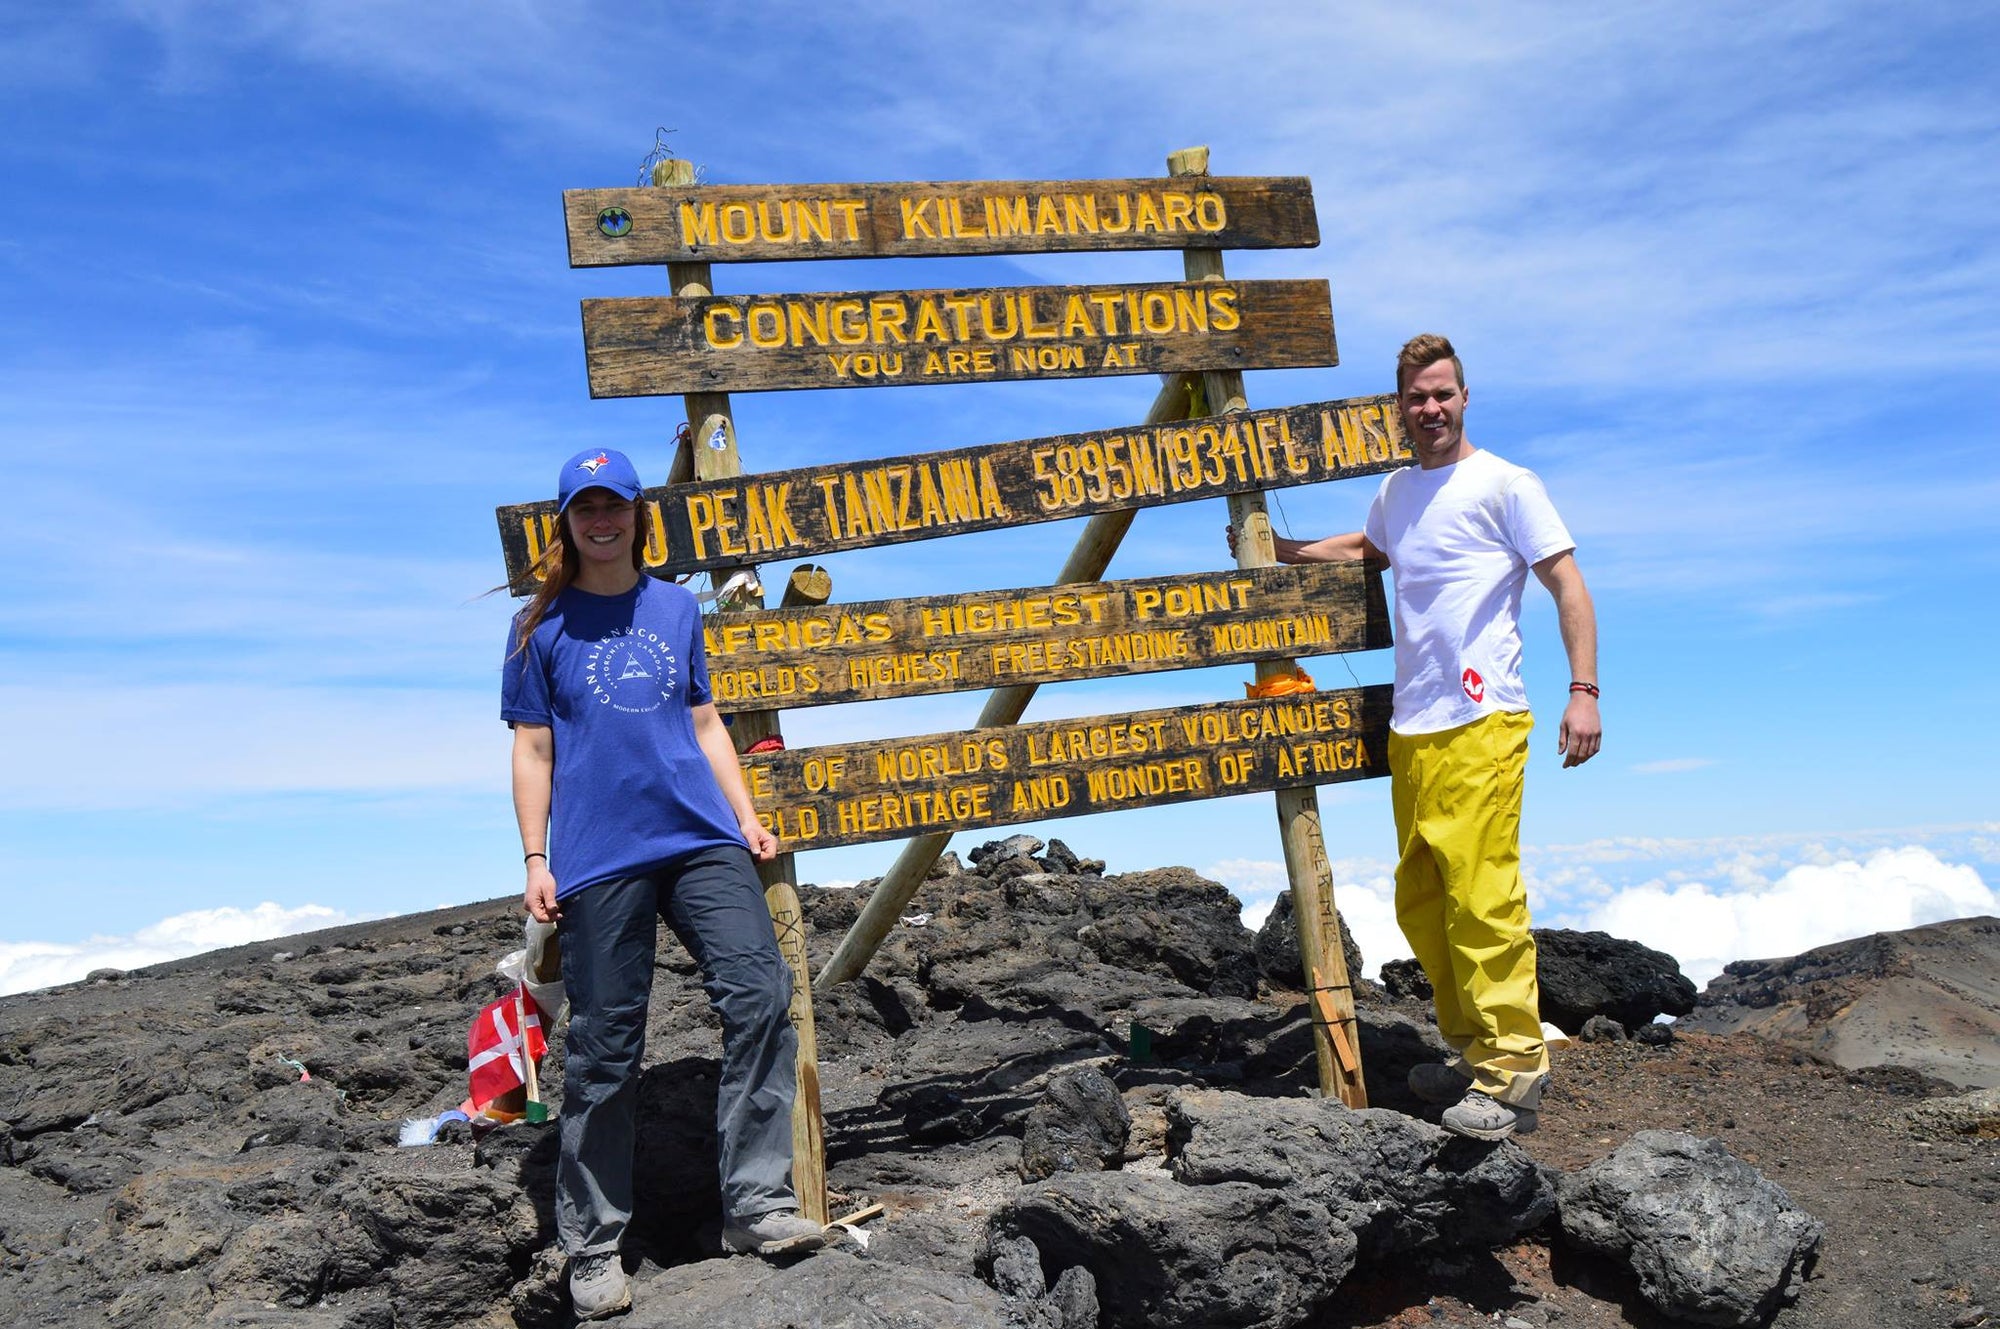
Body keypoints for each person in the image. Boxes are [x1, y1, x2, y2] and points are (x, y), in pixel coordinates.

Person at [1233, 333, 1601, 1141]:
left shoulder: (1507, 483)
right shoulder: (1398, 490)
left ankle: (1514, 1072)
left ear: (1464, 397)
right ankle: (1473, 1052)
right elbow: (1369, 551)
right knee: (1424, 902)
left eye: (1442, 393)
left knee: (1483, 896)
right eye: (1415, 396)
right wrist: (1284, 551)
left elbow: (1566, 580)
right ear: (1399, 406)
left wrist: (1583, 690)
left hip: (1483, 718)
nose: (1429, 407)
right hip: (1415, 725)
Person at [502, 447, 825, 1320]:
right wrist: (536, 856)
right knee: (606, 1045)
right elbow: (533, 749)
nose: (600, 520)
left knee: (761, 992)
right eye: (584, 508)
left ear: (639, 514)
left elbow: (704, 718)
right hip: (599, 853)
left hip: (699, 836)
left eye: (615, 506)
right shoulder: (541, 628)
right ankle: (594, 1244)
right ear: (566, 522)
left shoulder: (676, 607)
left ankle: (757, 1205)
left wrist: (745, 813)